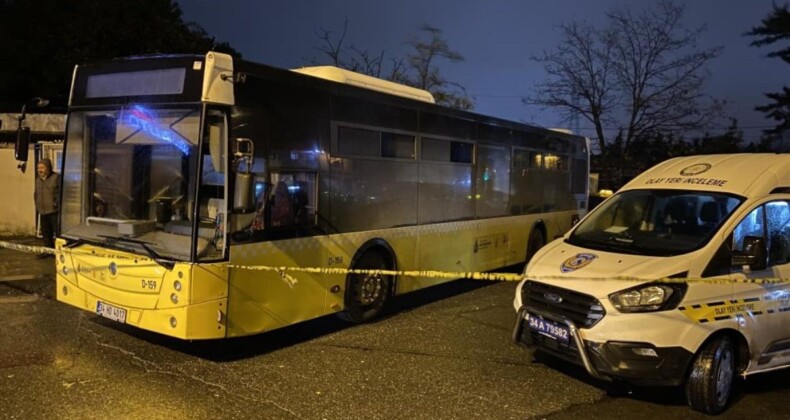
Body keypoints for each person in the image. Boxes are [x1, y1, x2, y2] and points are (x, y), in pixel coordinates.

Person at [34, 158, 60, 254]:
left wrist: (56, 203)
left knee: (57, 233)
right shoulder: (38, 180)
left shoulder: (56, 178)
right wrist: (37, 205)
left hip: (54, 211)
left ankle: (58, 252)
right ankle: (48, 251)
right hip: (43, 211)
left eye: (42, 167)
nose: (39, 170)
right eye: (38, 168)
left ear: (48, 168)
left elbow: (61, 193)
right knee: (46, 233)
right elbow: (36, 194)